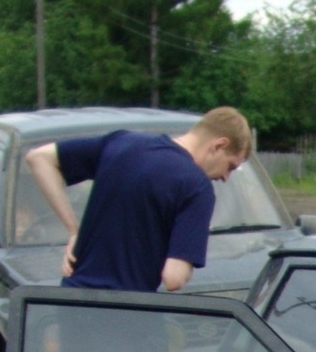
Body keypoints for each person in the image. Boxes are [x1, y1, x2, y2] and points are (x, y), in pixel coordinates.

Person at [26, 107, 252, 292]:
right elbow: (174, 278)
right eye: (230, 166)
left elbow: (38, 158)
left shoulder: (122, 143)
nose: (225, 177)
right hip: (128, 314)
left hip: (72, 301)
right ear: (219, 145)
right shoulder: (196, 187)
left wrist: (74, 231)